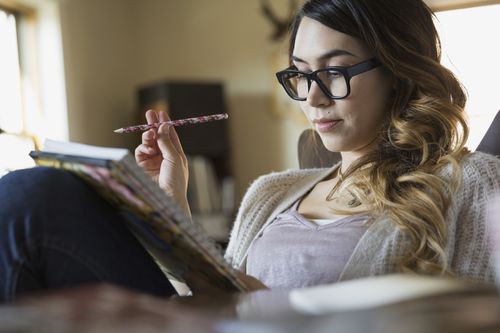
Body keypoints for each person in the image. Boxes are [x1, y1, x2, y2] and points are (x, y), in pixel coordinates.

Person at [1, 0, 499, 301]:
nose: (312, 96)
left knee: (36, 199)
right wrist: (174, 216)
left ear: (398, 71)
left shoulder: (469, 184)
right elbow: (210, 299)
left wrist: (281, 314)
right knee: (31, 194)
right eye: (301, 74)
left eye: (334, 71)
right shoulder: (271, 192)